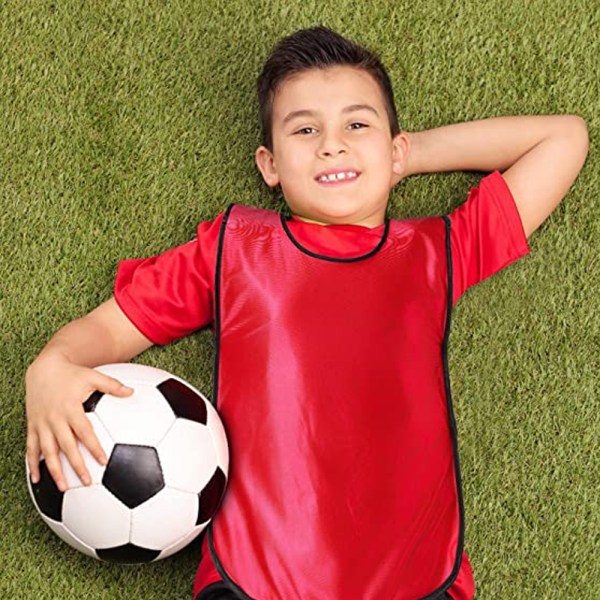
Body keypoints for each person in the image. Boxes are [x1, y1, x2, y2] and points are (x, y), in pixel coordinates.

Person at [25, 25, 588, 600]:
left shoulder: (439, 251)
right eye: (306, 129)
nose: (332, 144)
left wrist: (404, 155)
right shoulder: (231, 251)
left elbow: (564, 138)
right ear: (269, 164)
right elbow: (110, 328)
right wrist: (51, 365)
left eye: (357, 125)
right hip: (253, 583)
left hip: (418, 582)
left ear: (394, 146)